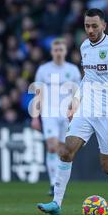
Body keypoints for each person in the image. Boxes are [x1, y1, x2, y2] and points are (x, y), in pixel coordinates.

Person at [37, 8, 108, 215]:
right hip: (87, 109)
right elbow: (88, 78)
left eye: (94, 26)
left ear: (104, 25)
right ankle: (56, 203)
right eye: (87, 26)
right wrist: (76, 100)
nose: (90, 30)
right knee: (66, 150)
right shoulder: (85, 46)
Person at [31, 38, 81, 196]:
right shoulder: (43, 70)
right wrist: (35, 116)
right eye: (56, 50)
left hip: (66, 115)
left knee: (63, 150)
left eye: (61, 49)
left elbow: (77, 94)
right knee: (52, 146)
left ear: (65, 51)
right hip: (49, 113)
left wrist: (75, 112)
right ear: (52, 52)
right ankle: (53, 183)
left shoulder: (72, 70)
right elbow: (38, 94)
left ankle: (59, 182)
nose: (58, 52)